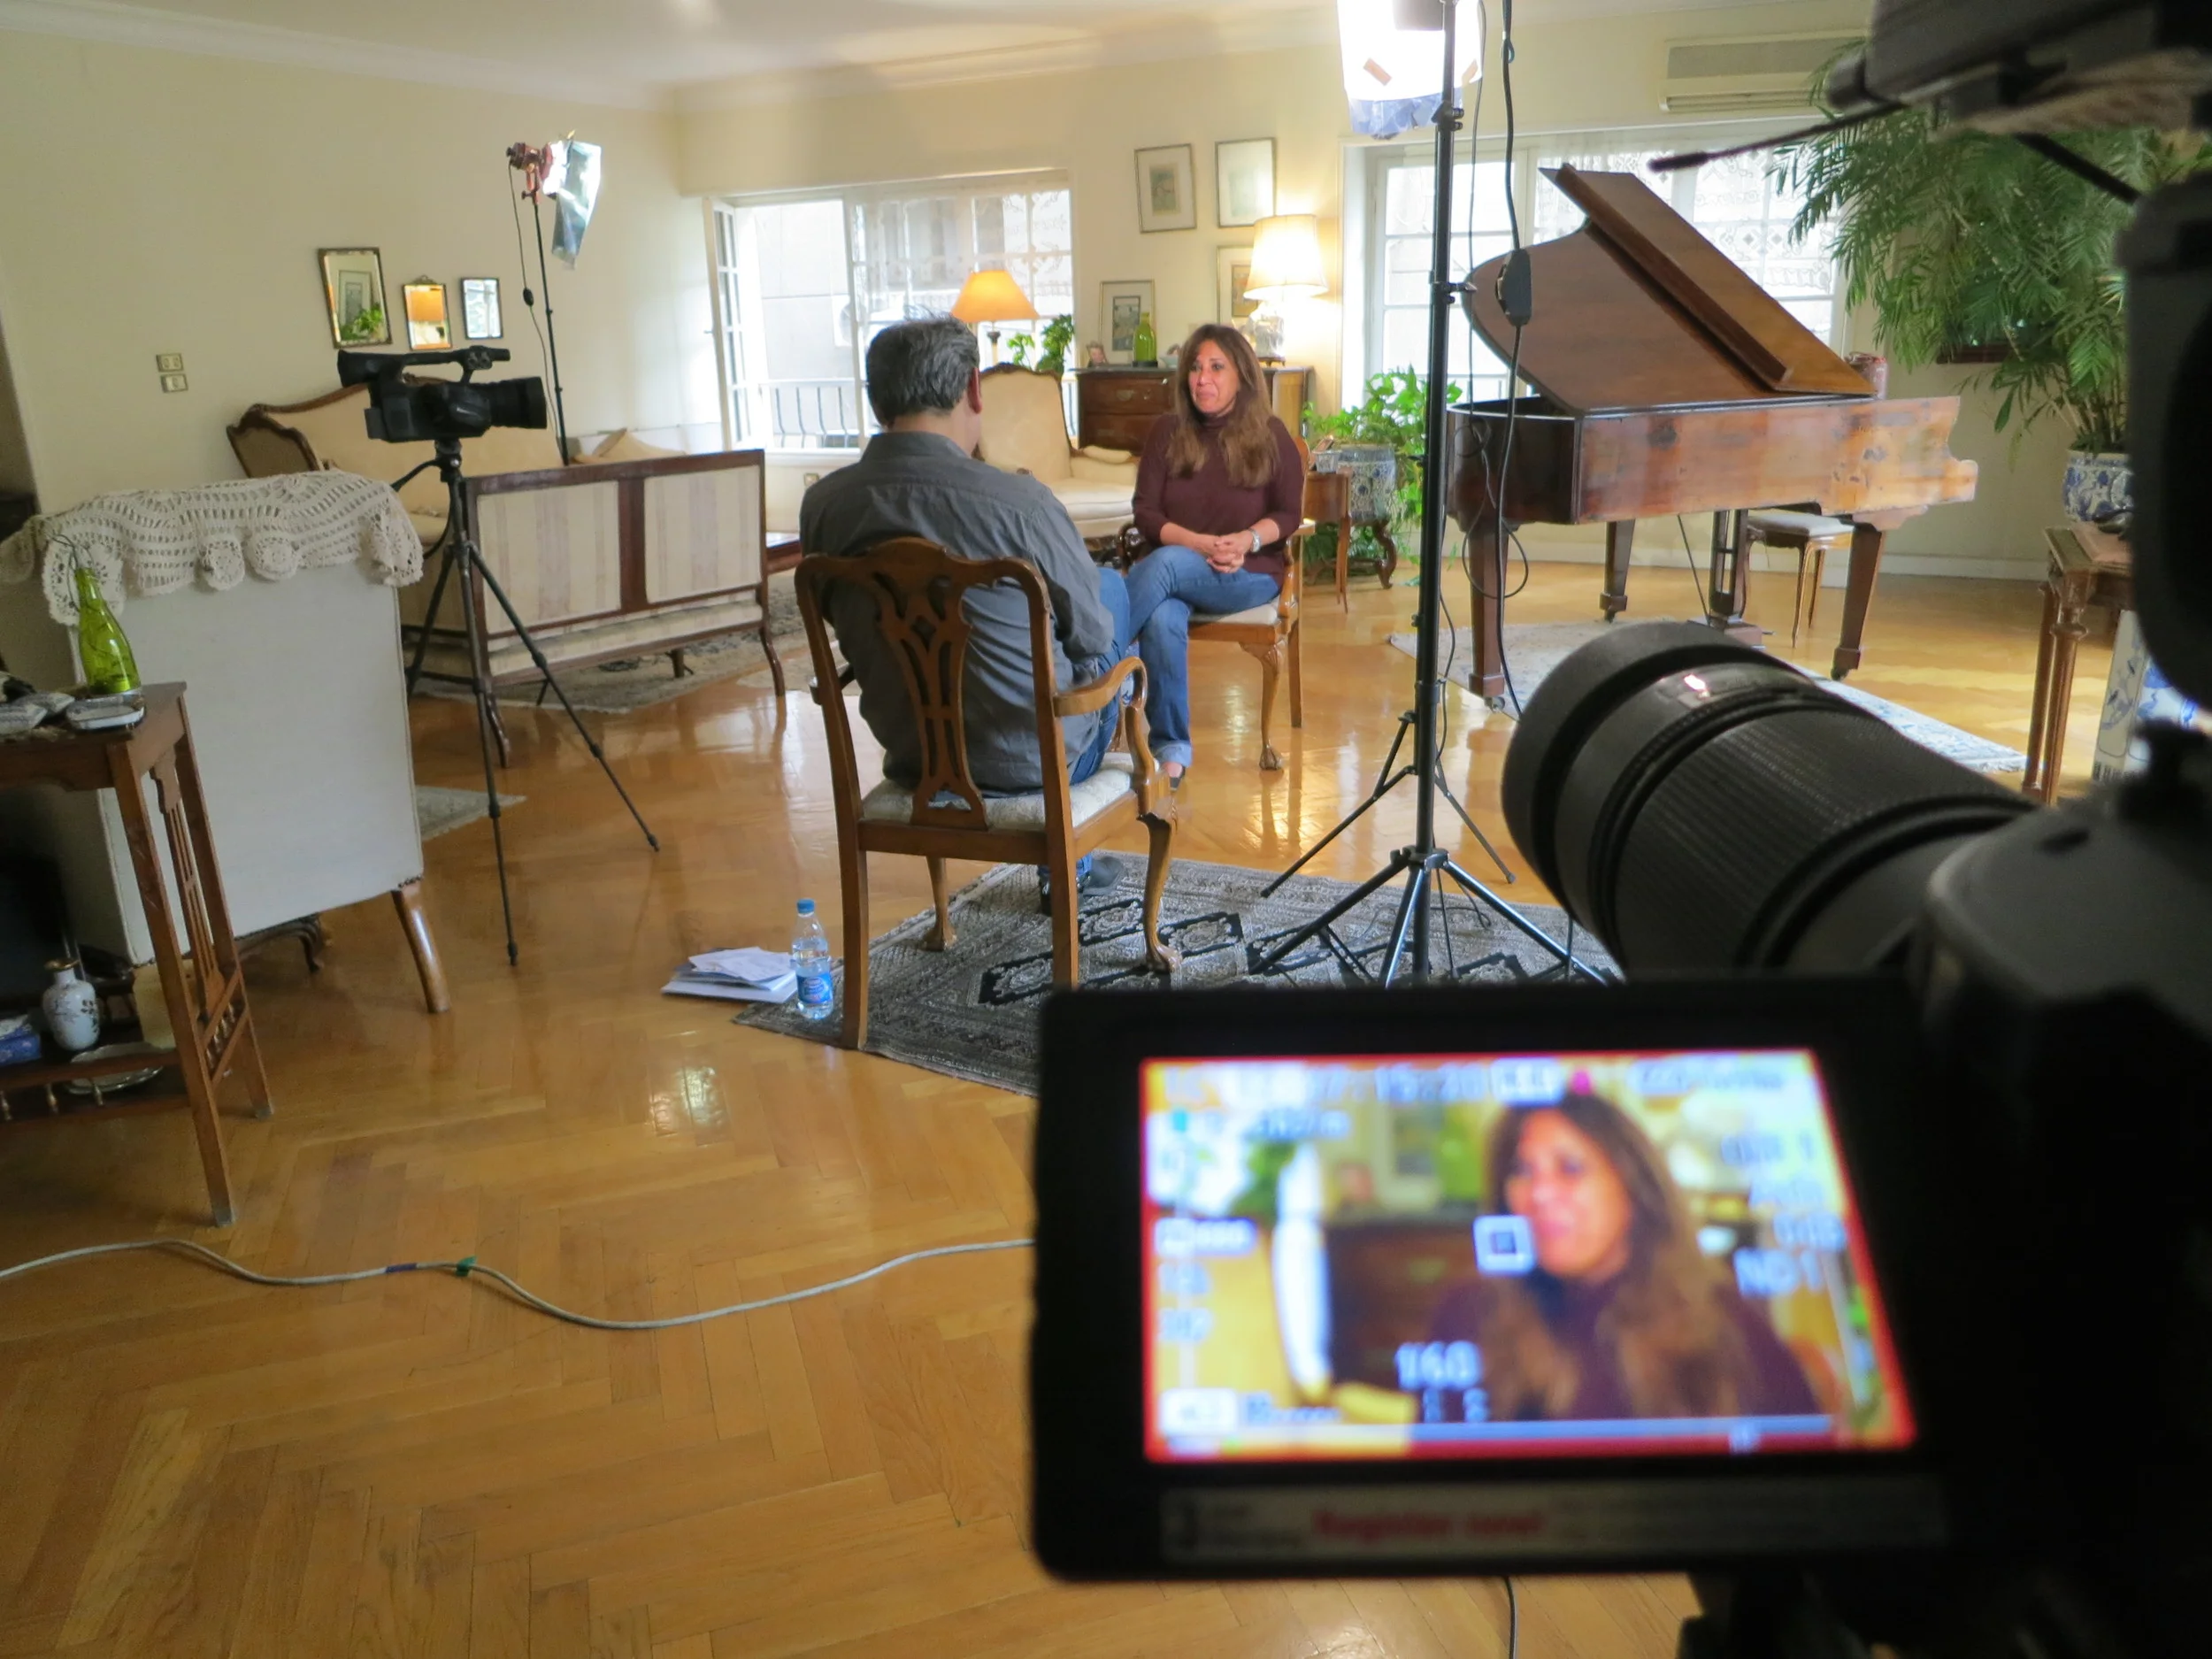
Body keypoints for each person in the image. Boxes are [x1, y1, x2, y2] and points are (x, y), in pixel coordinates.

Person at [801, 317, 1132, 896]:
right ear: (974, 389)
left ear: (875, 400)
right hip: (1035, 765)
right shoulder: (1020, 505)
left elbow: (847, 621)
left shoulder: (824, 508)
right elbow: (1092, 639)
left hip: (913, 758)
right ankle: (1069, 860)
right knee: (1111, 595)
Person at [1425, 1091, 1818, 1424]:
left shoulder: (1722, 1323)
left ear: (1634, 1189)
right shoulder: (1470, 1314)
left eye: (1570, 1168)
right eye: (1522, 1171)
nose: (1539, 1193)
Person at [1125, 324, 1305, 783]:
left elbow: (1289, 513)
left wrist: (1247, 540)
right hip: (1178, 567)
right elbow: (1145, 512)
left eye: (1216, 367)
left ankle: (1095, 663)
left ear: (1241, 375)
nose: (1202, 378)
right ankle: (1172, 752)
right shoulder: (1167, 432)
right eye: (1195, 368)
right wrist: (1198, 543)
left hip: (1248, 571)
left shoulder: (1271, 434)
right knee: (1162, 615)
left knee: (1163, 564)